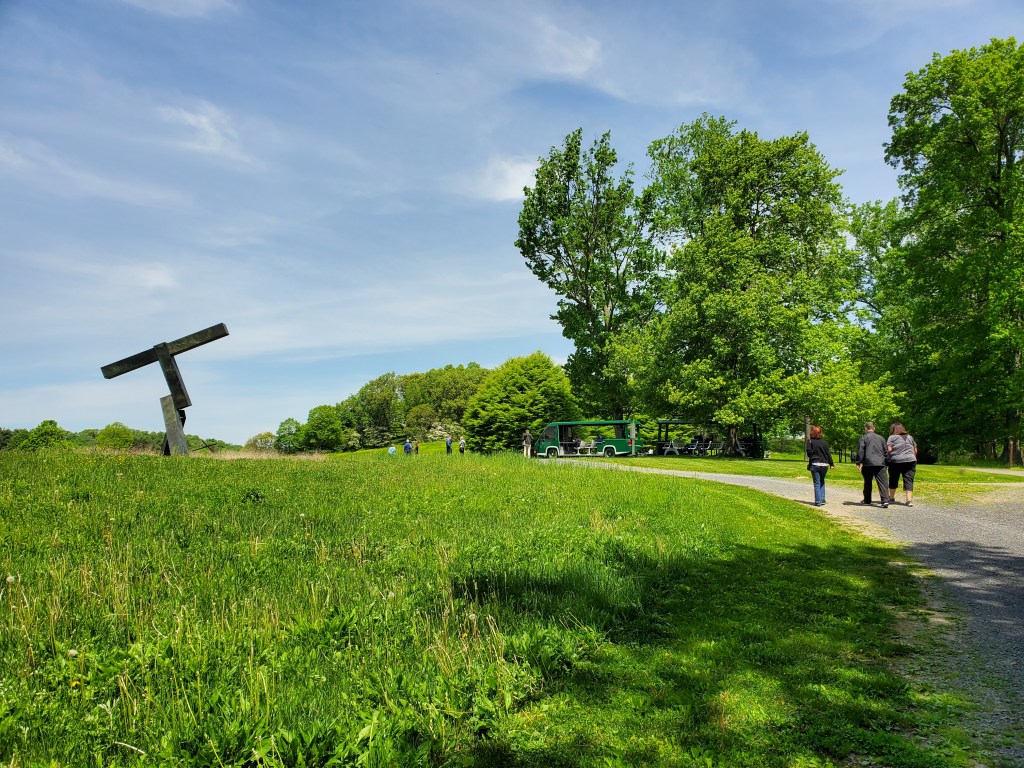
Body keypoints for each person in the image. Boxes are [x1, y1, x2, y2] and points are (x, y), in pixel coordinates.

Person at [855, 422, 891, 507]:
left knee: (867, 482)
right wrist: (886, 462)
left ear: (866, 428)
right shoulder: (881, 438)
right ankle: (885, 500)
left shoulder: (863, 438)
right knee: (883, 482)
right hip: (880, 463)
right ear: (873, 428)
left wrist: (858, 462)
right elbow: (886, 452)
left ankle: (867, 500)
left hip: (868, 463)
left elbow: (861, 451)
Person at [886, 422, 919, 506]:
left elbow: (889, 449)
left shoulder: (892, 437)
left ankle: (891, 498)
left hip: (896, 461)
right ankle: (909, 500)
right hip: (911, 460)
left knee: (893, 478)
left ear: (893, 429)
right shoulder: (910, 437)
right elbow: (915, 450)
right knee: (909, 479)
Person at [805, 425, 835, 507]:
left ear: (812, 432)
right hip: (825, 464)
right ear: (820, 433)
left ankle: (818, 501)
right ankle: (822, 499)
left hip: (815, 463)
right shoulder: (824, 442)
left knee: (817, 483)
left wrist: (811, 455)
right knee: (822, 481)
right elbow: (828, 453)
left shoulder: (810, 441)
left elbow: (808, 452)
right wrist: (831, 464)